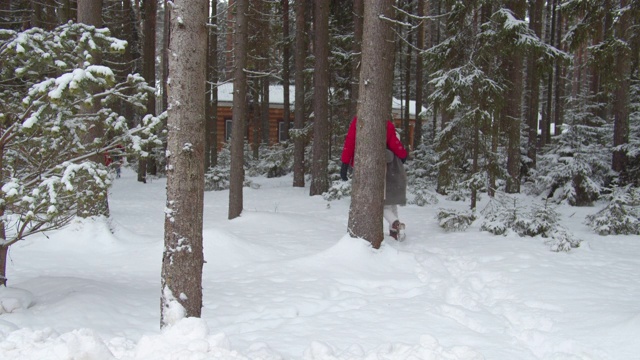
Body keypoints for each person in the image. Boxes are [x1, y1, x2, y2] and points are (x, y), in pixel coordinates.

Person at [340, 116, 408, 240]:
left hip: (367, 167)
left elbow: (350, 141)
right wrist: (403, 154)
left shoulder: (358, 121)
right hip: (387, 168)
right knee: (390, 201)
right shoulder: (385, 123)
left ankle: (395, 224)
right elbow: (394, 142)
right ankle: (394, 231)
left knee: (377, 201)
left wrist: (345, 163)